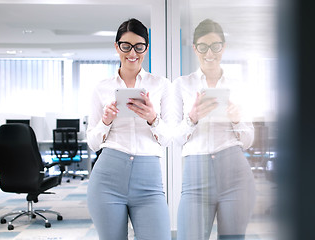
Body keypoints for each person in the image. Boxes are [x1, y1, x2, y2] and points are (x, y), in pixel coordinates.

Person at [86, 18, 172, 240]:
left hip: (149, 182)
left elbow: (168, 138)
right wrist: (105, 121)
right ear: (117, 47)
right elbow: (93, 143)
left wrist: (153, 118)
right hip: (107, 178)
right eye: (126, 46)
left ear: (146, 48)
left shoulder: (161, 85)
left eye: (139, 46)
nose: (132, 52)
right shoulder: (102, 88)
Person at [173, 19, 256, 240]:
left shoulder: (239, 86)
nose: (210, 53)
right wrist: (192, 117)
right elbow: (174, 137)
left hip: (235, 174)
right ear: (195, 48)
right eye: (203, 46)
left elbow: (247, 140)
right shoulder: (182, 85)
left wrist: (237, 120)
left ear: (223, 47)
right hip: (196, 177)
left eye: (215, 46)